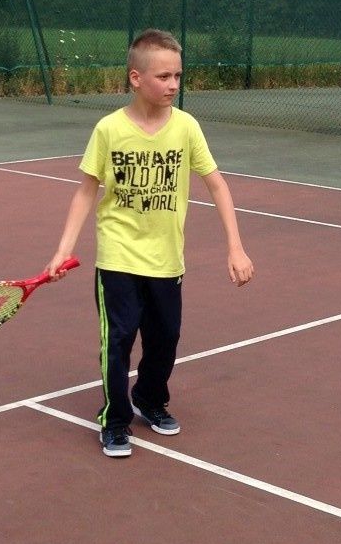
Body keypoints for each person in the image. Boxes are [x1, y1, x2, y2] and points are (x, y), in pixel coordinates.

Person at [46, 28, 254, 457]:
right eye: (163, 76)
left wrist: (235, 247)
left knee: (165, 340)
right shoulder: (109, 129)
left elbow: (217, 184)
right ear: (135, 78)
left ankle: (149, 398)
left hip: (166, 260)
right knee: (118, 341)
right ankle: (115, 420)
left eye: (177, 75)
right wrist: (64, 248)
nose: (173, 85)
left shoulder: (186, 127)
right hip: (118, 257)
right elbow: (86, 190)